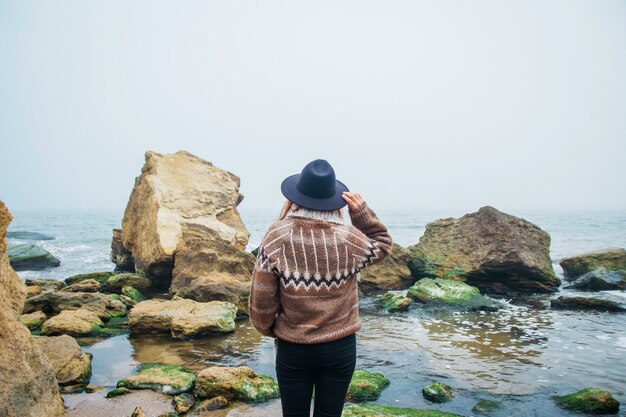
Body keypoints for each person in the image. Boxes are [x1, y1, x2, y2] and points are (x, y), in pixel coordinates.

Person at [248, 159, 392, 417]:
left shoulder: (277, 236)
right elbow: (382, 244)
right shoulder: (349, 238)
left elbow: (262, 299)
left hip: (294, 347)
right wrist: (361, 212)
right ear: (334, 200)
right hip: (340, 347)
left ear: (295, 198)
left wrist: (270, 330)